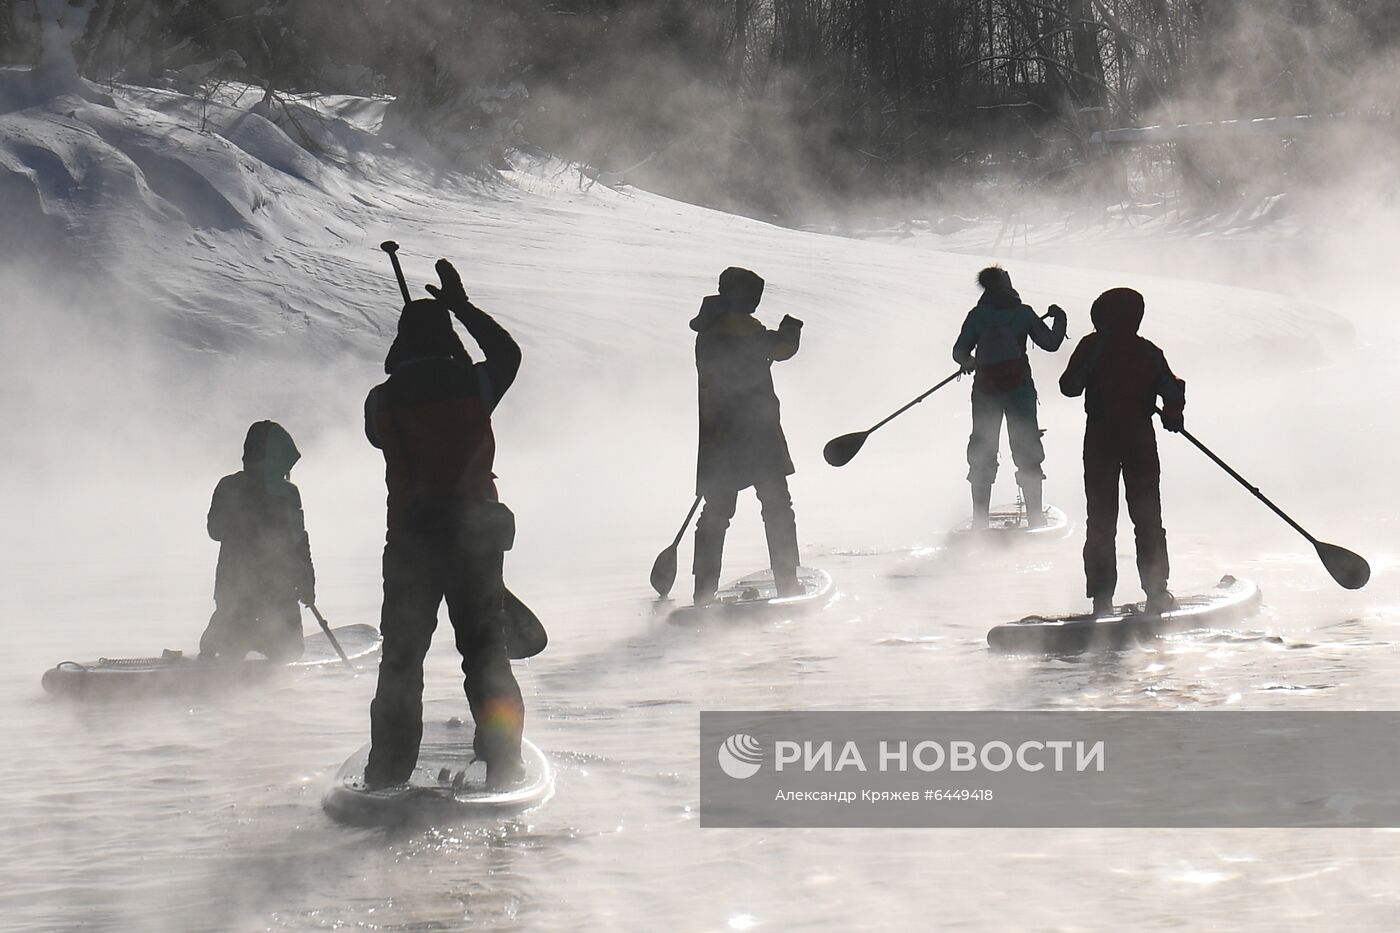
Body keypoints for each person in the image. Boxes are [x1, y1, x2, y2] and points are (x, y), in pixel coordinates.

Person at [363, 258, 526, 789]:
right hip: (476, 542)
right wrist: (462, 306)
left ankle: (388, 771)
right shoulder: (474, 385)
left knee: (402, 661)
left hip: (411, 544)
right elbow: (509, 353)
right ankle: (502, 761)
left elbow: (376, 435)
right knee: (484, 655)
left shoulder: (382, 401)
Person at [1059, 287, 1186, 616]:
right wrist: (1173, 415)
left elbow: (1069, 387)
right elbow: (1172, 393)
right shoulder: (1148, 351)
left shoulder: (1092, 346)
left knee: (1100, 521)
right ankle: (1156, 593)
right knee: (1147, 518)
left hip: (1100, 441)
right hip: (1139, 442)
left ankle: (1101, 600)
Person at [691, 266, 804, 604]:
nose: (756, 302)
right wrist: (791, 328)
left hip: (718, 438)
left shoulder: (709, 329)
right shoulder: (740, 329)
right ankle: (787, 582)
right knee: (777, 506)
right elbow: (782, 348)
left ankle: (703, 592)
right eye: (753, 295)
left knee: (716, 512)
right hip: (756, 436)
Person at [952, 266, 1067, 528]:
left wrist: (969, 361)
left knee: (982, 449)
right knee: (1027, 450)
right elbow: (1051, 343)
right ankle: (1035, 518)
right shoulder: (1022, 313)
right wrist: (1060, 319)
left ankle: (979, 520)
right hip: (1019, 391)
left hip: (984, 391)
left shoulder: (977, 316)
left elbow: (959, 351)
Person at [200, 420, 315, 662]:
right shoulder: (287, 494)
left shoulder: (228, 486)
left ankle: (235, 640)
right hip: (266, 592)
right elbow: (299, 544)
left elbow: (214, 531)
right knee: (289, 650)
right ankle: (247, 638)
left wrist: (306, 585)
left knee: (232, 642)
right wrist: (306, 583)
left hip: (240, 589)